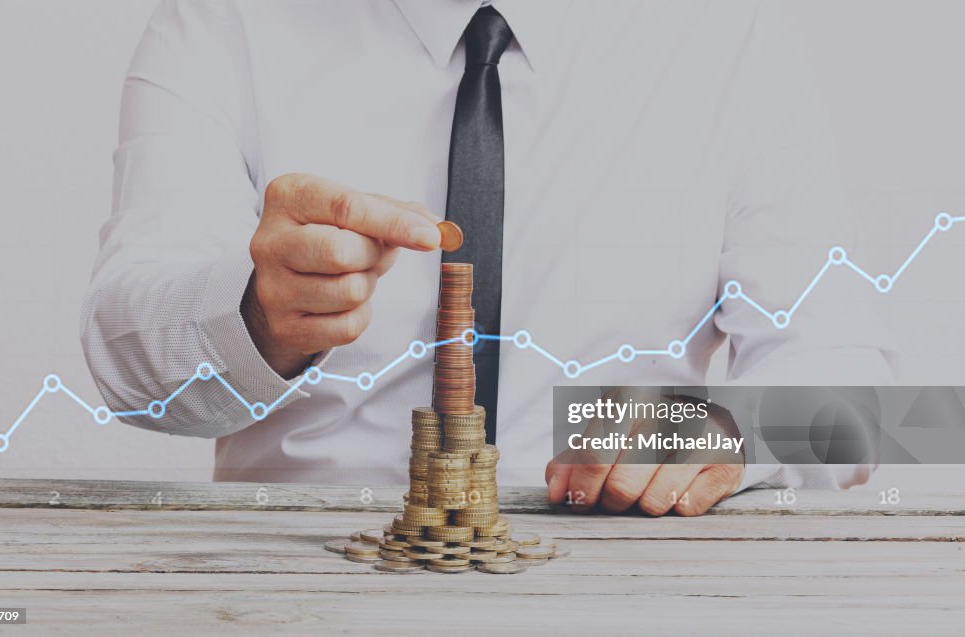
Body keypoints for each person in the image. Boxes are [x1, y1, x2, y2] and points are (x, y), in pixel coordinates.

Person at [81, 0, 895, 516]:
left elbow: (861, 403)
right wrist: (259, 319)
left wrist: (724, 430)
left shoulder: (729, 38)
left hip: (624, 594)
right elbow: (126, 363)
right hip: (307, 593)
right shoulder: (222, 25)